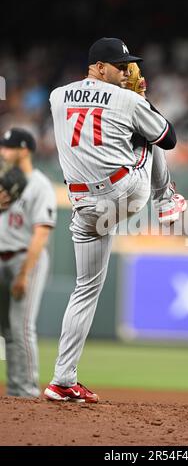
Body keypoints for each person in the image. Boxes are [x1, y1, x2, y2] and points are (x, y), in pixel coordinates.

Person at [44, 37, 186, 403]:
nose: (126, 72)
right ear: (98, 67)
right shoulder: (128, 98)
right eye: (120, 66)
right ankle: (167, 201)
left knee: (83, 289)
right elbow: (168, 138)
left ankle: (61, 378)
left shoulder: (57, 96)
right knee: (148, 141)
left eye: (128, 67)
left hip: (83, 206)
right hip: (123, 193)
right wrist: (144, 102)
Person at [0, 128, 57, 397]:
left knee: (21, 326)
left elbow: (41, 233)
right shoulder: (1, 180)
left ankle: (27, 390)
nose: (3, 151)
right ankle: (15, 390)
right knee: (6, 330)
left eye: (9, 147)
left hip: (25, 258)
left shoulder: (39, 184)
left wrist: (24, 273)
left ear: (24, 150)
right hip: (1, 258)